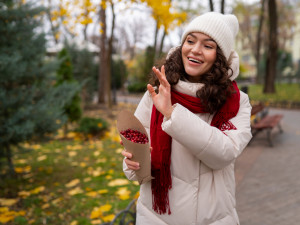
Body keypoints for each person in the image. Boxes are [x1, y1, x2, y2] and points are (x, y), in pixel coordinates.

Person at [121, 11, 252, 225]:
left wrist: (172, 114)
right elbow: (139, 155)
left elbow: (224, 153)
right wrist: (132, 162)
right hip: (155, 216)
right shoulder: (158, 91)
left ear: (220, 57)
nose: (195, 50)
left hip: (213, 218)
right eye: (190, 41)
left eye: (208, 46)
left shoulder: (236, 101)